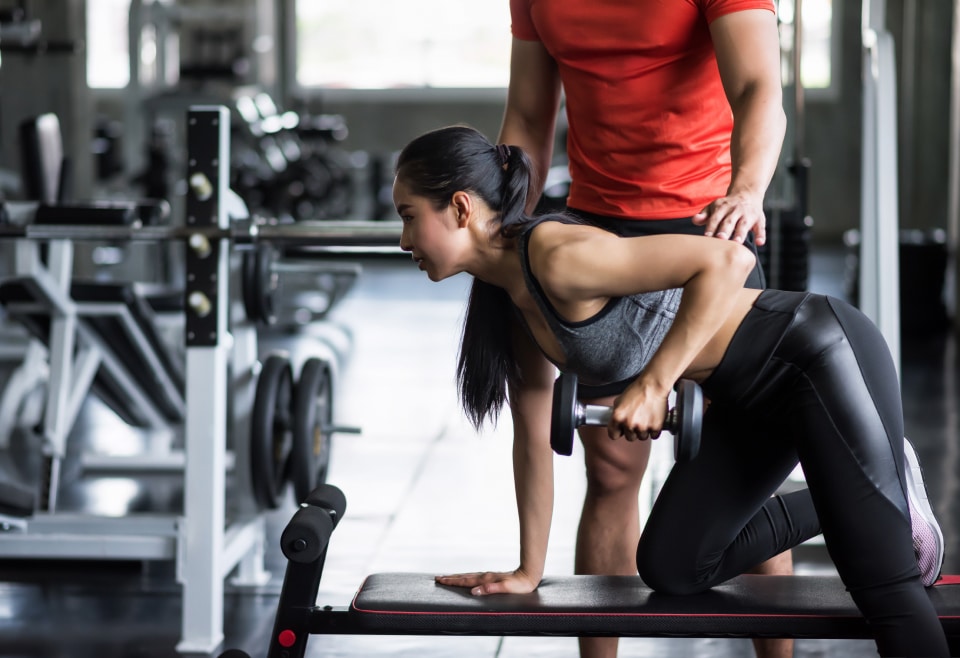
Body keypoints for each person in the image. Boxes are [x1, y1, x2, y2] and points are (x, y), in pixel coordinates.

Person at [392, 125, 949, 657]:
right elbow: (533, 436)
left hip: (815, 355)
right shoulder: (508, 300)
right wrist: (527, 570)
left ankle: (875, 494)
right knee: (675, 566)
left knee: (887, 589)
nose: (402, 239)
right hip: (748, 404)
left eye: (408, 216)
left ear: (461, 208)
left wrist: (656, 384)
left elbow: (729, 260)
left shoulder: (556, 255)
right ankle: (867, 492)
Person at [499, 2, 790, 656]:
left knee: (746, 479)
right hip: (598, 230)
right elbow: (526, 119)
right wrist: (500, 231)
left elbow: (757, 87)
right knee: (609, 471)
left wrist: (746, 190)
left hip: (712, 230)